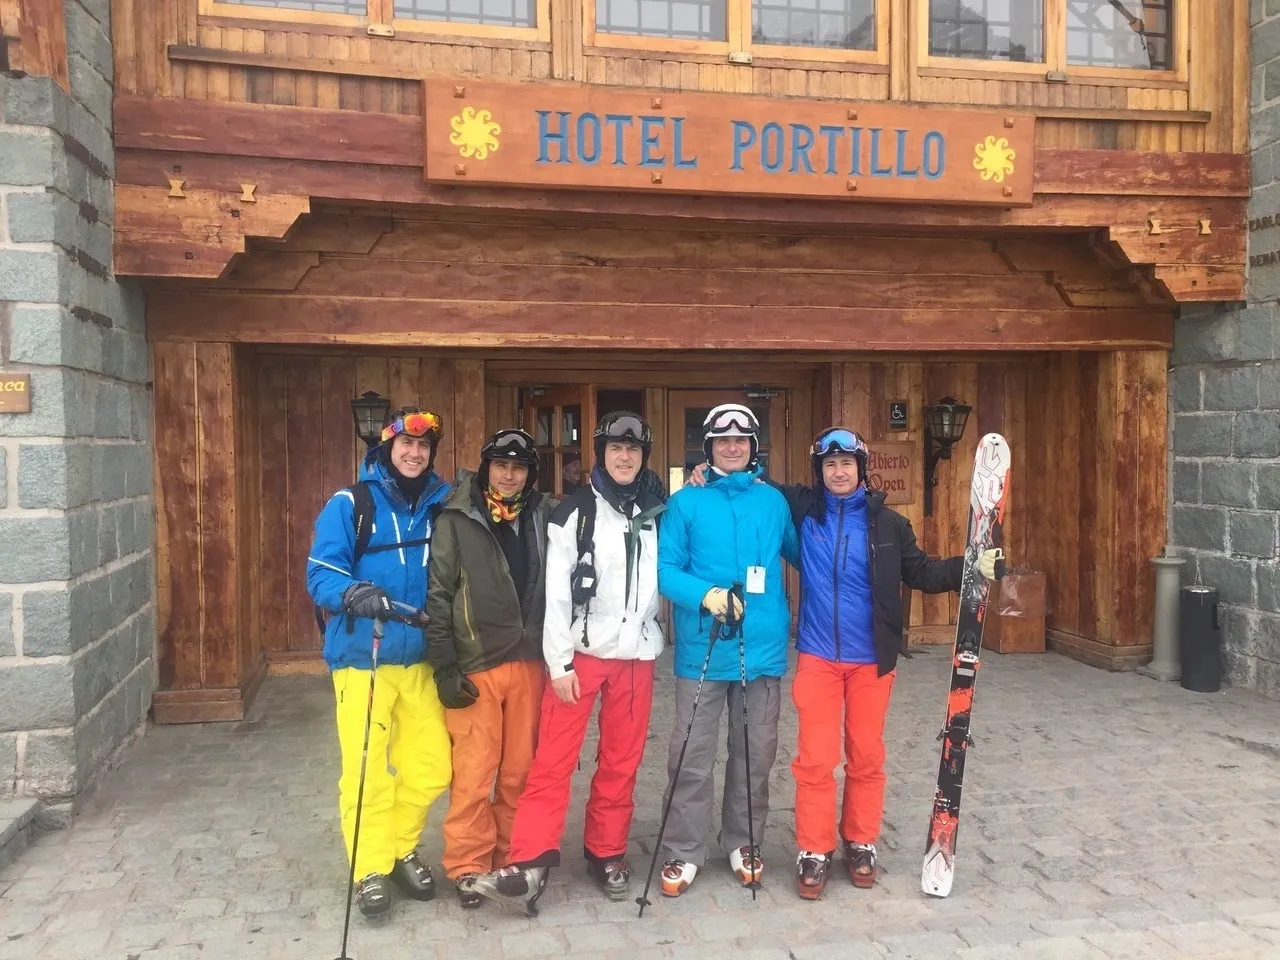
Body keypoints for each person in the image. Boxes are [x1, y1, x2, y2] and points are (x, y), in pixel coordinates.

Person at [764, 427, 1004, 899]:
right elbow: (750, 476)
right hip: (818, 656)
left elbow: (921, 571)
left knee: (866, 755)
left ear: (860, 470)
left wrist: (972, 565)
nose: (838, 472)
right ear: (819, 471)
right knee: (815, 759)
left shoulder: (889, 526)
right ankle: (814, 849)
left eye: (847, 464)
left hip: (872, 660)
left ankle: (859, 840)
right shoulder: (802, 510)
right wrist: (703, 471)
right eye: (830, 465)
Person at [469, 411, 667, 913]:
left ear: (644, 458)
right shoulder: (573, 514)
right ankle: (530, 858)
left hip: (636, 657)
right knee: (553, 761)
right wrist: (558, 665)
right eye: (616, 448)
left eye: (634, 450)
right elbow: (555, 597)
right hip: (580, 657)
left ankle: (607, 849)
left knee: (622, 762)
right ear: (600, 454)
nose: (625, 457)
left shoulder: (659, 511)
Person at [306, 406, 453, 918]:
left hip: (421, 659)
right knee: (367, 767)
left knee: (433, 766)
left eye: (424, 447)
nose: (414, 454)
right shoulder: (351, 504)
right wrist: (355, 592)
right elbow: (321, 574)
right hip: (363, 657)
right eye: (405, 445)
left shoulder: (443, 502)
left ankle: (396, 845)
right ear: (386, 449)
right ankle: (371, 865)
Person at [654, 403, 798, 897]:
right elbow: (665, 569)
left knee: (754, 753)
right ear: (709, 448)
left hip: (761, 651)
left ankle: (744, 839)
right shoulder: (686, 502)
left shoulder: (773, 502)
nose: (731, 447)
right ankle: (683, 847)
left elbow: (806, 551)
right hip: (703, 647)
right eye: (721, 441)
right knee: (692, 755)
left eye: (740, 440)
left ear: (754, 447)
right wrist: (705, 595)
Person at [425, 428, 557, 908]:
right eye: (501, 465)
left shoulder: (543, 514)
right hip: (477, 661)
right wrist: (443, 665)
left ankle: (510, 857)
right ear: (486, 468)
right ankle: (467, 864)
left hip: (528, 660)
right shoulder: (457, 517)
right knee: (475, 773)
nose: (508, 474)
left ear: (529, 475)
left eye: (519, 467)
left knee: (520, 771)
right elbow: (438, 593)